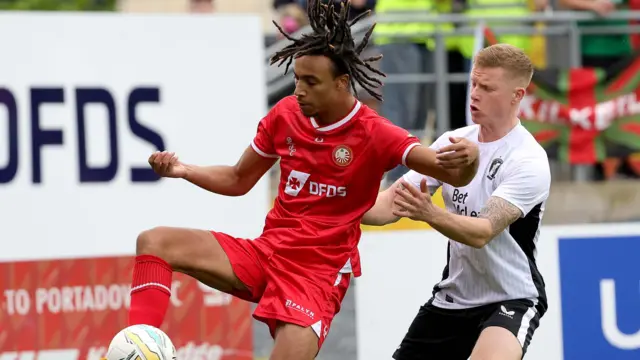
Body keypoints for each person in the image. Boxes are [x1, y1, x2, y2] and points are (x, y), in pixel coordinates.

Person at [124, 1, 480, 360]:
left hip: (316, 278)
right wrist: (184, 170)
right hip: (267, 254)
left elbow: (451, 172)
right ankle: (141, 350)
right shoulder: (285, 115)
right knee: (155, 241)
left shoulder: (375, 133)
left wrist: (470, 159)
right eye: (296, 79)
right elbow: (237, 179)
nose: (298, 90)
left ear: (342, 83)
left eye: (311, 82)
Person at [362, 43, 551, 360]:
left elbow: (481, 232)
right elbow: (387, 207)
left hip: (511, 297)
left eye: (487, 87)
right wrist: (333, 200)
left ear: (517, 96)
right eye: (473, 83)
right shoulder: (452, 142)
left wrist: (429, 213)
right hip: (455, 297)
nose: (474, 94)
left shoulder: (528, 159)